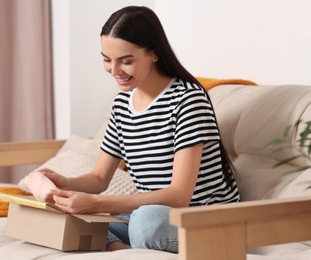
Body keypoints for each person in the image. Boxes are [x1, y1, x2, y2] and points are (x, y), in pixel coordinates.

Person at [40, 5, 240, 253]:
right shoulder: (122, 104)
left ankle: (122, 247)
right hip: (149, 215)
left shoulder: (187, 100)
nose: (114, 71)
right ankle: (122, 249)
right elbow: (100, 179)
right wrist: (65, 182)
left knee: (145, 223)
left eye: (126, 61)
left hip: (200, 219)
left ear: (154, 54)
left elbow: (179, 196)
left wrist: (95, 203)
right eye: (106, 59)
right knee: (69, 217)